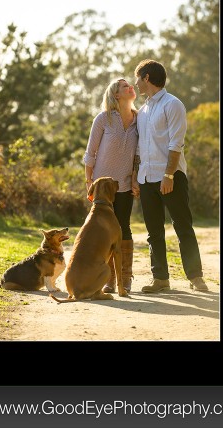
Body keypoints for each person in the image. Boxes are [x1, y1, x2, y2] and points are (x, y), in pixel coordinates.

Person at [132, 59, 208, 293]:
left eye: (137, 77)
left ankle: (196, 278)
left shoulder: (173, 104)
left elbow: (176, 143)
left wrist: (169, 175)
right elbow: (138, 148)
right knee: (154, 231)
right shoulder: (142, 111)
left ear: (146, 78)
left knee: (183, 226)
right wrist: (136, 176)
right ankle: (160, 278)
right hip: (146, 178)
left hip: (171, 177)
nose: (135, 83)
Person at [82, 78, 140, 292]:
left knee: (123, 227)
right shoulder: (103, 119)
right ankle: (108, 277)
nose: (130, 87)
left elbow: (137, 154)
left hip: (123, 185)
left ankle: (125, 277)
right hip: (101, 188)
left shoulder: (138, 119)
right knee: (103, 231)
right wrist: (89, 182)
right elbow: (90, 153)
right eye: (124, 86)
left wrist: (134, 178)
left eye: (130, 85)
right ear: (116, 95)